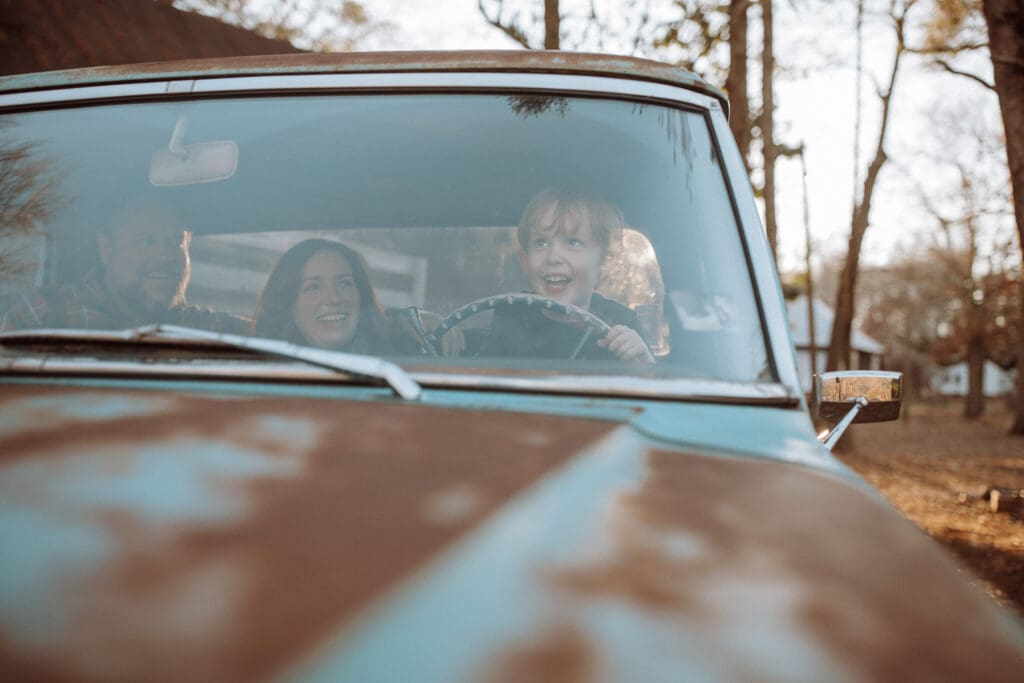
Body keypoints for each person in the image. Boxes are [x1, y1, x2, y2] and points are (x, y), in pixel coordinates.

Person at [0, 199, 248, 333]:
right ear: (107, 249)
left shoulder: (207, 329)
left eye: (175, 243)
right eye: (146, 242)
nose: (164, 256)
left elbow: (273, 334)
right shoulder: (43, 314)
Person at [478, 187, 654, 363]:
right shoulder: (511, 314)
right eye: (541, 243)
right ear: (524, 260)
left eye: (573, 242)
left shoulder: (621, 323)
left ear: (604, 260)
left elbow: (648, 385)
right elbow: (483, 379)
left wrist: (642, 362)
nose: (553, 257)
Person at [253, 238, 419, 354]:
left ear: (361, 295)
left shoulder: (403, 355)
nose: (334, 298)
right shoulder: (259, 373)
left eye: (344, 283)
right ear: (288, 304)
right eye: (313, 287)